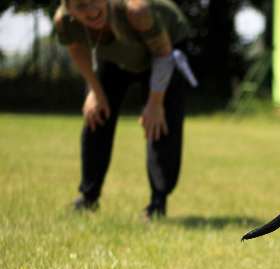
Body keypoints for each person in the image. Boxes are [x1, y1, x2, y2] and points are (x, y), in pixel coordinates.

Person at [54, 0, 197, 219]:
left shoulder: (135, 10)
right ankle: (88, 197)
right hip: (114, 57)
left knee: (159, 123)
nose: (92, 12)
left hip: (164, 51)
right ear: (69, 9)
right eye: (81, 6)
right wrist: (95, 90)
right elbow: (76, 47)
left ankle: (157, 203)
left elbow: (163, 53)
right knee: (96, 115)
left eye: (94, 2)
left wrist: (155, 103)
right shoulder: (64, 22)